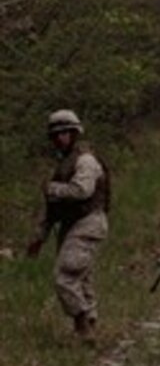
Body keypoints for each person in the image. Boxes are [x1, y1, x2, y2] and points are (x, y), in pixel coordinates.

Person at [26, 110, 110, 346]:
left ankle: (82, 324)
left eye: (64, 133)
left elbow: (82, 191)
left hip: (88, 222)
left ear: (74, 133)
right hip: (73, 224)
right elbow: (52, 209)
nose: (59, 138)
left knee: (65, 276)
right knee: (82, 278)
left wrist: (52, 188)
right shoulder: (63, 164)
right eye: (55, 135)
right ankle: (89, 329)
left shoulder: (85, 161)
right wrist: (39, 237)